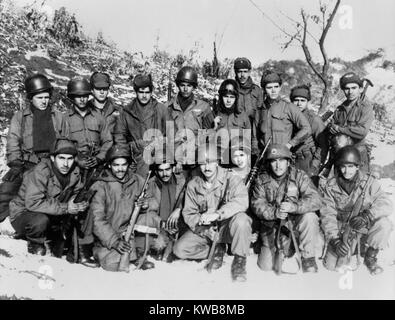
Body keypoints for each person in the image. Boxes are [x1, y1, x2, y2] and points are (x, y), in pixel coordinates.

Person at [9, 139, 98, 267]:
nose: (66, 164)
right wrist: (66, 207)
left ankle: (80, 250)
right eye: (61, 158)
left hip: (54, 212)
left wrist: (78, 204)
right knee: (40, 220)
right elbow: (34, 203)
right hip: (24, 214)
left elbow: (76, 191)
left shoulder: (75, 172)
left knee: (86, 211)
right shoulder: (40, 171)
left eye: (70, 159)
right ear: (52, 157)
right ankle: (35, 244)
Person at [173, 143, 251, 282]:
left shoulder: (231, 179)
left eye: (210, 162)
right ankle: (216, 250)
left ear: (217, 162)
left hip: (227, 228)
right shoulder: (193, 184)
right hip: (207, 232)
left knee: (242, 220)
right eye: (203, 163)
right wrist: (205, 230)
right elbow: (189, 213)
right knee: (180, 249)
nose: (207, 167)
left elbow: (241, 201)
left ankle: (239, 261)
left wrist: (218, 214)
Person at [1, 73, 66, 222]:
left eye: (46, 97)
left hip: (52, 166)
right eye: (39, 97)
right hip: (27, 165)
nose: (44, 101)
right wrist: (16, 163)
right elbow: (13, 141)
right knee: (5, 192)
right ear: (31, 98)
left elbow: (66, 142)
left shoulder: (58, 117)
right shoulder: (20, 117)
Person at [320, 146, 393, 275]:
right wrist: (335, 240)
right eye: (343, 166)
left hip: (361, 227)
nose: (346, 171)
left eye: (351, 166)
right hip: (341, 229)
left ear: (357, 167)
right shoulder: (330, 186)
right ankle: (352, 248)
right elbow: (327, 214)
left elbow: (386, 203)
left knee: (384, 224)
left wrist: (368, 215)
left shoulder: (369, 182)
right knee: (331, 267)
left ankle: (370, 257)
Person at [250, 144, 322, 273]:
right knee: (266, 266)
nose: (278, 165)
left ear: (288, 162)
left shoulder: (299, 176)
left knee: (310, 217)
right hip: (273, 227)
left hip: (294, 224)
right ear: (269, 164)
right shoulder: (262, 180)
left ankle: (308, 257)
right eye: (274, 161)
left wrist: (294, 207)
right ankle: (284, 248)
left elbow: (316, 200)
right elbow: (257, 205)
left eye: (282, 160)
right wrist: (274, 213)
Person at [91, 144, 157, 271]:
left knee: (149, 217)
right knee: (112, 265)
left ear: (128, 165)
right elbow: (97, 220)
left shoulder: (137, 180)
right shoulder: (100, 185)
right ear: (109, 165)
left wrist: (146, 205)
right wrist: (114, 241)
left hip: (129, 232)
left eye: (123, 164)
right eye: (116, 165)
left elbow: (154, 199)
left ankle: (138, 253)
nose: (120, 169)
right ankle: (130, 255)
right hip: (108, 237)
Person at [114, 74, 170, 177]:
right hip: (135, 160)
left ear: (151, 92)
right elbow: (119, 137)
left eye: (147, 92)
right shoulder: (126, 112)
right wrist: (130, 152)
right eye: (141, 92)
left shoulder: (162, 110)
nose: (144, 96)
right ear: (136, 92)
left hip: (159, 160)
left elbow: (172, 135)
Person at [167, 66, 215, 177]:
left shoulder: (203, 107)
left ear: (193, 87)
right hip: (176, 162)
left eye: (189, 86)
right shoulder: (168, 107)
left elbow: (209, 134)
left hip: (197, 160)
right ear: (178, 85)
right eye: (182, 85)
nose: (185, 89)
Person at [63, 77, 113, 181]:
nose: (82, 99)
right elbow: (62, 144)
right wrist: (77, 159)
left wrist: (99, 158)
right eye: (78, 96)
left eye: (85, 96)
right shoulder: (65, 119)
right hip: (73, 166)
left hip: (97, 166)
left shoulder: (98, 117)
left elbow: (108, 141)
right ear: (72, 97)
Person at [252, 71, 311, 157]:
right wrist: (255, 151)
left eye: (276, 87)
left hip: (283, 157)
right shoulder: (260, 111)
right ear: (264, 89)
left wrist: (290, 144)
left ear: (280, 87)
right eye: (269, 87)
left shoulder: (289, 107)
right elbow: (255, 136)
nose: (273, 90)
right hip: (265, 158)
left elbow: (306, 129)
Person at [145, 150, 187, 262]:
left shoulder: (182, 181)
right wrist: (161, 223)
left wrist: (179, 209)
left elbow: (189, 200)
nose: (165, 174)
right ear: (156, 171)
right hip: (161, 225)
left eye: (168, 169)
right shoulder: (151, 184)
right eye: (161, 170)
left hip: (179, 223)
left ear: (173, 168)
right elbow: (150, 210)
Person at [328, 72, 374, 173]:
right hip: (340, 154)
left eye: (354, 88)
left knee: (361, 185)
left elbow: (362, 131)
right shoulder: (340, 109)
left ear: (360, 89)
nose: (350, 92)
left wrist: (339, 129)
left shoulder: (365, 107)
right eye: (347, 88)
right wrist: (331, 128)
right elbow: (332, 124)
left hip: (358, 154)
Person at [290, 85, 329, 178]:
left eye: (302, 100)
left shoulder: (314, 120)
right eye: (296, 100)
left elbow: (323, 145)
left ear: (307, 101)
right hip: (291, 160)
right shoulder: (288, 117)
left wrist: (315, 165)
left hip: (307, 161)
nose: (299, 103)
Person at [213, 79, 251, 166]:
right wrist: (214, 128)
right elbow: (206, 143)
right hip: (219, 162)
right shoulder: (213, 114)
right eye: (226, 96)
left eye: (232, 97)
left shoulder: (243, 116)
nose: (229, 101)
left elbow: (248, 141)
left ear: (236, 98)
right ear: (221, 97)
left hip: (237, 162)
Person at [87, 71, 121, 135]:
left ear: (108, 90)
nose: (102, 92)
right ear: (92, 90)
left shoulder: (119, 112)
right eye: (98, 88)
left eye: (104, 88)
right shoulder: (85, 111)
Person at [233, 57, 263, 126]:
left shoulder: (257, 90)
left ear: (249, 72)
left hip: (254, 128)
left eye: (245, 71)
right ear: (235, 72)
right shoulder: (231, 89)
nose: (242, 75)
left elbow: (261, 112)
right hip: (236, 129)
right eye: (239, 71)